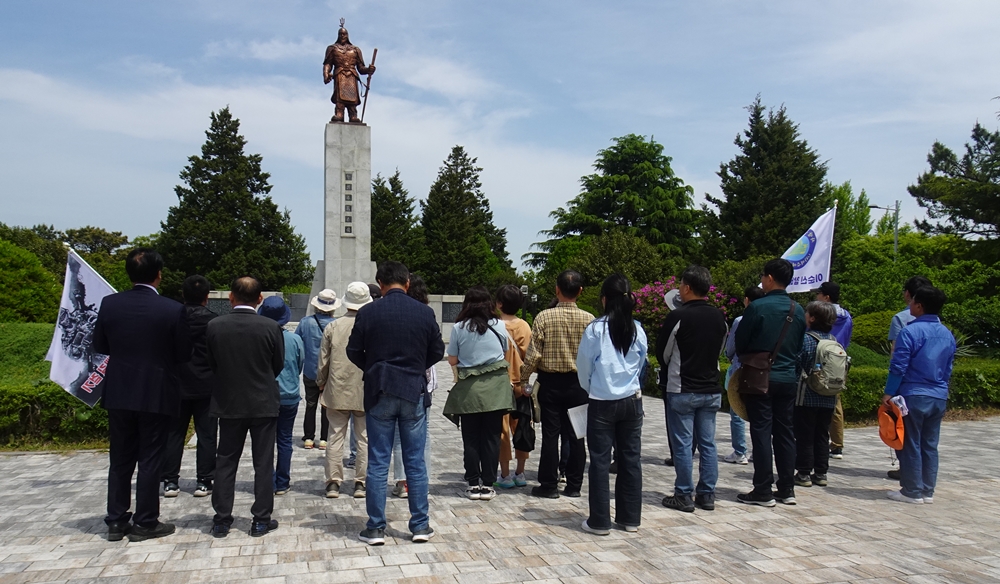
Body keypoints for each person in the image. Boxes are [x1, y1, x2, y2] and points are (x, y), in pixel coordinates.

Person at [91, 248, 190, 542]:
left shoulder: (110, 304)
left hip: (119, 391)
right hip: (156, 392)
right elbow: (183, 354)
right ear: (159, 275)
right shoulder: (172, 309)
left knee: (120, 458)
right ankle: (145, 522)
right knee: (150, 458)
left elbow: (100, 345)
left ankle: (116, 520)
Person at [347, 261, 445, 545]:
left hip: (379, 390)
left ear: (379, 281)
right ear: (408, 282)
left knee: (378, 461)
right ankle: (419, 525)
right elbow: (437, 351)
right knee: (415, 462)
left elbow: (353, 350)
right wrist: (415, 368)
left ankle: (376, 527)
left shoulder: (367, 312)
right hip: (413, 391)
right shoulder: (424, 313)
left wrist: (374, 368)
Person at [206, 277, 285, 538]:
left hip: (228, 402)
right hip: (263, 402)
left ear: (231, 297)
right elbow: (277, 365)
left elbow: (212, 363)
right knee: (263, 463)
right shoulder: (271, 327)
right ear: (259, 298)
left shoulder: (215, 326)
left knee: (226, 461)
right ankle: (261, 520)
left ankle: (221, 519)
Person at [576, 274, 647, 535]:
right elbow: (641, 365)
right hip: (632, 401)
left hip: (602, 403)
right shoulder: (637, 328)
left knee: (600, 462)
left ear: (604, 299)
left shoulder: (596, 329)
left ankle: (600, 521)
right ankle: (630, 519)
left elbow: (583, 367)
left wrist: (591, 387)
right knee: (631, 460)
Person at [734, 259, 806, 507]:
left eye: (763, 276)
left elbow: (741, 343)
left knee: (762, 431)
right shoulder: (798, 309)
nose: (761, 281)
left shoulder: (757, 307)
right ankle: (787, 488)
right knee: (785, 433)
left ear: (771, 278)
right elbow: (798, 347)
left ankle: (763, 489)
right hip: (788, 378)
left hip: (760, 378)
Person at [657, 266, 729, 513]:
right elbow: (720, 349)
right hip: (711, 388)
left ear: (687, 287)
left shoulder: (678, 317)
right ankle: (707, 493)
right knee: (708, 443)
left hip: (683, 388)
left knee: (683, 444)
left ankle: (683, 493)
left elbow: (664, 353)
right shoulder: (719, 316)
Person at [521, 270, 595, 499]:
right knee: (577, 436)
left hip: (550, 383)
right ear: (580, 291)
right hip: (579, 384)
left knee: (551, 435)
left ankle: (548, 485)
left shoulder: (543, 317)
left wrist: (524, 378)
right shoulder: (590, 320)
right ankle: (574, 485)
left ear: (557, 289)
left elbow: (534, 355)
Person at [883, 286, 956, 504]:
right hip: (938, 395)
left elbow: (898, 366)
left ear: (919, 306)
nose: (909, 304)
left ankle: (911, 491)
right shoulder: (947, 333)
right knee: (930, 444)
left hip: (913, 394)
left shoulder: (909, 332)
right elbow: (949, 367)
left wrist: (888, 393)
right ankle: (927, 490)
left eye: (912, 301)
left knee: (910, 442)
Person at [443, 286, 515, 501]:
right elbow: (504, 354)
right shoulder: (499, 325)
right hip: (495, 389)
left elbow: (453, 360)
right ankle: (489, 484)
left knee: (471, 438)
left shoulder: (458, 328)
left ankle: (473, 483)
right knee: (492, 437)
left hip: (469, 391)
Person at [160, 275, 218, 499]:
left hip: (176, 384)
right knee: (207, 434)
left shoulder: (172, 318)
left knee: (174, 434)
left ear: (183, 295)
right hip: (206, 384)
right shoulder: (213, 322)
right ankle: (204, 481)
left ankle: (171, 481)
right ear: (207, 296)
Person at [317, 282, 371, 499]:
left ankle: (333, 482)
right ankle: (360, 482)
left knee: (335, 436)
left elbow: (323, 360)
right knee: (364, 438)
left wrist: (321, 382)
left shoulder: (333, 326)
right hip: (364, 389)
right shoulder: (370, 326)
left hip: (337, 388)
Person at [885, 276, 932, 481]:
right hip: (934, 389)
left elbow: (897, 358)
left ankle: (909, 477)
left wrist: (890, 390)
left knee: (905, 432)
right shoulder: (939, 325)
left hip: (908, 386)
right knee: (928, 441)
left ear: (908, 295)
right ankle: (925, 481)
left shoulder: (901, 320)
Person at [257, 296, 304, 497]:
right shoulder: (294, 339)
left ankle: (267, 480)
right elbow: (300, 365)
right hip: (289, 395)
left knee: (264, 442)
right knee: (284, 440)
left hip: (264, 397)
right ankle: (282, 482)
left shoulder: (259, 338)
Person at [793, 301, 839, 489]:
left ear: (812, 318)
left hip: (807, 396)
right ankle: (821, 472)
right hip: (829, 396)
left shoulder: (806, 340)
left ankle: (803, 472)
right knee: (822, 434)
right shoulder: (834, 341)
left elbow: (796, 365)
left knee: (804, 434)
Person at [494, 284, 532, 489]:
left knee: (502, 429)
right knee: (522, 427)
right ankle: (521, 472)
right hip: (521, 384)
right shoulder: (525, 326)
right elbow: (530, 356)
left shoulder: (495, 325)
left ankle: (505, 474)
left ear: (499, 303)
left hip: (501, 384)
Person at [723, 286, 765, 465]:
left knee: (737, 411)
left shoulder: (741, 320)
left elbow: (730, 348)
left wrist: (730, 356)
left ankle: (740, 451)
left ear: (747, 300)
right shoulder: (768, 318)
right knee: (760, 414)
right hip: (763, 370)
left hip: (741, 369)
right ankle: (759, 451)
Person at [295, 289, 339, 450]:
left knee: (310, 405)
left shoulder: (305, 322)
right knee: (326, 406)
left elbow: (298, 344)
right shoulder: (335, 324)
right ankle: (324, 439)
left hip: (309, 371)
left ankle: (308, 438)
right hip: (329, 372)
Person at [814, 282, 853, 460]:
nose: (817, 297)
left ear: (827, 297)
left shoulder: (821, 314)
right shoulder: (848, 317)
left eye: (819, 294)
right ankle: (837, 444)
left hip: (820, 358)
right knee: (835, 401)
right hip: (839, 359)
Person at [322, 21, 375, 123]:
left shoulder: (355, 50)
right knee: (339, 98)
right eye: (341, 34)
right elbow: (327, 64)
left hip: (352, 75)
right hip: (339, 74)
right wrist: (326, 74)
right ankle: (339, 114)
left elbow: (361, 68)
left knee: (352, 98)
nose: (342, 36)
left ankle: (353, 115)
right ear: (338, 35)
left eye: (344, 34)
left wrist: (369, 70)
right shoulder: (332, 48)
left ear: (348, 35)